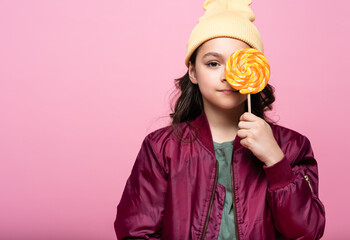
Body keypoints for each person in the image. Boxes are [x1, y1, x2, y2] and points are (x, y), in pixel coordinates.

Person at [114, 0, 326, 239]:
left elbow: (308, 233)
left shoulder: (292, 147)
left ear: (256, 71)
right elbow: (135, 231)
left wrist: (276, 161)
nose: (227, 75)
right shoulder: (161, 148)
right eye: (213, 63)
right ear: (193, 71)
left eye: (239, 63)